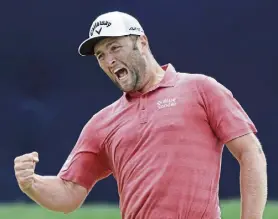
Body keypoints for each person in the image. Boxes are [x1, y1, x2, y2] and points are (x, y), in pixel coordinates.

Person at [14, 11, 267, 219]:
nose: (109, 60)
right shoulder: (102, 123)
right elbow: (68, 193)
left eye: (115, 48)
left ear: (142, 42)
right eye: (101, 55)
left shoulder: (201, 89)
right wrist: (31, 184)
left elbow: (250, 153)